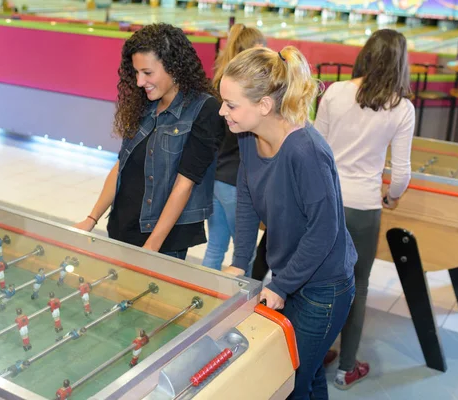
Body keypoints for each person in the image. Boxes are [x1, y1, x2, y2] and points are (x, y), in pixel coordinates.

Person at [220, 46, 357, 399]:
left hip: (324, 286)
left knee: (290, 379)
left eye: (231, 104)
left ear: (264, 105)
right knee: (307, 376)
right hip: (291, 275)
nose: (223, 111)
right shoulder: (249, 137)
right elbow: (247, 199)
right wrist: (240, 261)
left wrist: (282, 285)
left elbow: (325, 230)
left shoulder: (306, 151)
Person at [314, 29, 414, 390]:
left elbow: (316, 147)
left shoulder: (336, 91)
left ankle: (315, 349)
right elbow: (401, 173)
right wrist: (392, 196)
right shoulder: (401, 107)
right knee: (357, 284)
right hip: (363, 208)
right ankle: (347, 366)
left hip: (325, 201)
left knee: (318, 278)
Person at [75, 24, 225, 260]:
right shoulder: (145, 103)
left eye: (147, 73)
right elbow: (121, 165)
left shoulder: (204, 110)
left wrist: (152, 246)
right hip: (122, 226)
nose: (139, 82)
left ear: (173, 67)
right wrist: (92, 218)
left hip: (162, 241)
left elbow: (184, 185)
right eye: (136, 73)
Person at [202, 23, 266, 271]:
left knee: (215, 247)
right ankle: (240, 307)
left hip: (214, 179)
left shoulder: (218, 84)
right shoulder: (249, 98)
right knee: (244, 257)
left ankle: (205, 299)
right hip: (236, 184)